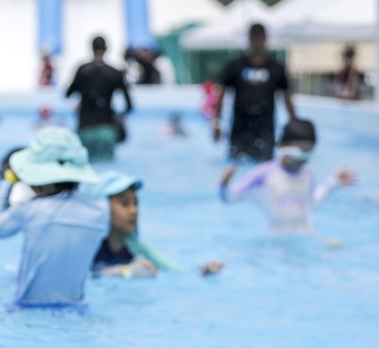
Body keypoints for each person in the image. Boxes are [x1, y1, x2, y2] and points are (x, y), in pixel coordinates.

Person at [0, 126, 107, 307]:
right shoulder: (100, 212)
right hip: (76, 307)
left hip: (28, 308)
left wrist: (8, 181)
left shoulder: (29, 210)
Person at [219, 118, 356, 234]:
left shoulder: (307, 173)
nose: (303, 158)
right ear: (283, 145)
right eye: (300, 151)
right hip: (277, 245)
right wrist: (224, 184)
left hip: (305, 237)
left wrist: (333, 182)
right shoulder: (262, 175)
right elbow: (230, 198)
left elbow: (308, 203)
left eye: (308, 152)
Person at [88, 172, 224, 278]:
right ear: (102, 208)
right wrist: (124, 271)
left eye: (136, 203)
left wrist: (202, 271)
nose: (134, 211)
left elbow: (172, 269)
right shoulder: (89, 247)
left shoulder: (135, 246)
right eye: (125, 204)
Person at [213, 23, 296, 162]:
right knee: (236, 165)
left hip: (265, 131)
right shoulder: (236, 66)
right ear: (249, 39)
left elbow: (287, 97)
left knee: (264, 166)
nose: (257, 42)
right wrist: (216, 123)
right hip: (239, 130)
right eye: (254, 39)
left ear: (265, 39)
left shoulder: (276, 68)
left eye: (260, 38)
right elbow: (220, 94)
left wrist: (294, 123)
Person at [66, 36, 132, 161]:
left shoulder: (82, 70)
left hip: (85, 128)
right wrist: (119, 118)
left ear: (91, 48)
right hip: (107, 129)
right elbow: (129, 105)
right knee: (108, 167)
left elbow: (68, 94)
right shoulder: (115, 73)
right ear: (106, 49)